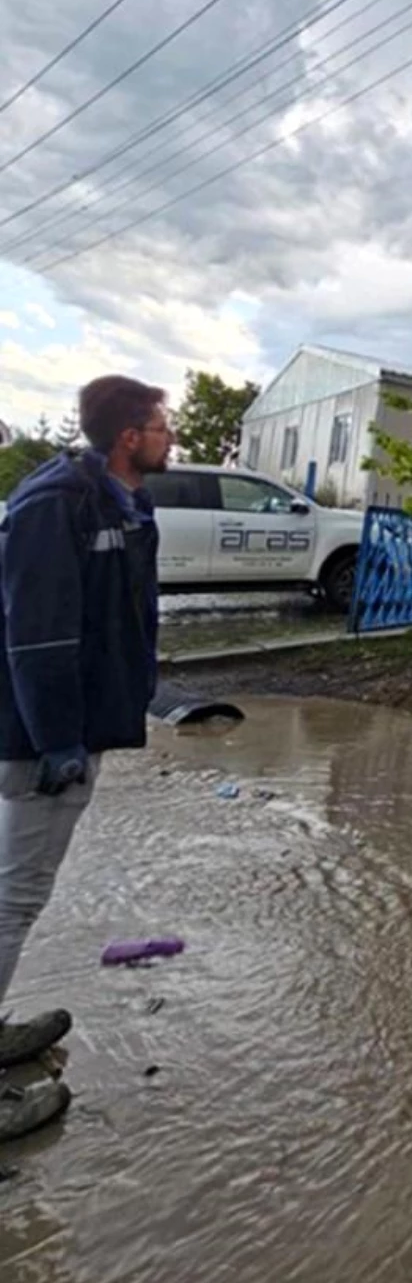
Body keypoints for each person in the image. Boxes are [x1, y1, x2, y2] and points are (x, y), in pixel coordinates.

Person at [0, 376, 170, 1142]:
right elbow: (36, 635)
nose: (171, 437)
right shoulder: (55, 504)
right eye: (162, 425)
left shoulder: (116, 502)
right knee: (14, 896)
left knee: (14, 887)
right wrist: (58, 738)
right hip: (41, 740)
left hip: (72, 729)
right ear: (129, 435)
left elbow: (116, 618)